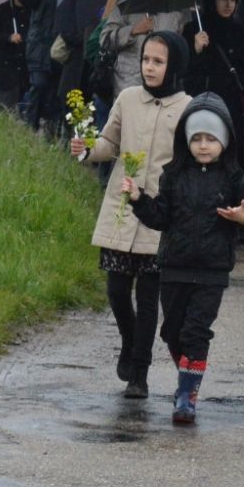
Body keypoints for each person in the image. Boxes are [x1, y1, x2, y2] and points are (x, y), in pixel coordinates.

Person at [123, 93, 244, 425]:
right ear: (186, 140)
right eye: (196, 137)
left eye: (211, 138)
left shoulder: (234, 178)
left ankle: (187, 395)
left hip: (212, 270)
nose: (203, 145)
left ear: (224, 140)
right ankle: (188, 374)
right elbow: (160, 217)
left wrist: (243, 219)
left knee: (197, 332)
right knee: (172, 332)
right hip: (174, 267)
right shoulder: (173, 175)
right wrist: (139, 199)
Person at [74, 30, 192, 400]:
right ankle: (128, 342)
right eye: (146, 60)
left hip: (159, 212)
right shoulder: (127, 98)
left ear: (174, 65)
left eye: (158, 61)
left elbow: (193, 156)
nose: (150, 67)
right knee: (116, 289)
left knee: (149, 297)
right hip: (122, 208)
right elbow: (110, 143)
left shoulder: (187, 106)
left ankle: (139, 373)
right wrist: (87, 146)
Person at [183, 0, 244, 141]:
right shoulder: (195, 29)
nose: (229, 4)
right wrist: (196, 50)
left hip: (230, 104)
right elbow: (184, 70)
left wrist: (238, 82)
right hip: (201, 101)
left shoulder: (242, 32)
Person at [20, 0, 75, 125]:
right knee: (39, 84)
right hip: (40, 41)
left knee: (59, 89)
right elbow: (26, 0)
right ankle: (30, 126)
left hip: (63, 41)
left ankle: (54, 127)